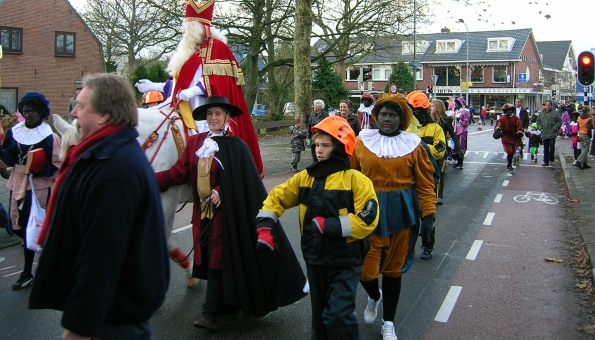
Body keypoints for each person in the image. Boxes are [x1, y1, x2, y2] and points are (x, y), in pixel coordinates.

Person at [29, 74, 169, 339]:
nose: (73, 111)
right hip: (111, 311)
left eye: (81, 106)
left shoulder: (114, 170)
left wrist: (79, 327)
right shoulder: (104, 153)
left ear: (104, 115)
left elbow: (102, 254)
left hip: (114, 318)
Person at [155, 96, 307, 331]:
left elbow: (242, 181)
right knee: (212, 255)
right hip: (202, 214)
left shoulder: (237, 147)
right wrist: (147, 179)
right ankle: (228, 300)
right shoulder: (196, 143)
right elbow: (178, 173)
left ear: (226, 117)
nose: (213, 118)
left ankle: (210, 312)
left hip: (229, 215)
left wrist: (220, 191)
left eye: (217, 114)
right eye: (209, 114)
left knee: (218, 256)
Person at [256, 116, 378, 340]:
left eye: (326, 145)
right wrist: (264, 227)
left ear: (341, 147)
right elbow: (276, 198)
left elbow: (368, 219)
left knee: (339, 316)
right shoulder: (305, 178)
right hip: (315, 257)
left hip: (346, 260)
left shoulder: (357, 181)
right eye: (316, 145)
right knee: (320, 319)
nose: (319, 150)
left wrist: (327, 226)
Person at [135, 0, 263, 176]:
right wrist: (154, 86)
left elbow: (218, 82)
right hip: (182, 106)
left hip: (205, 108)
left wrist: (193, 91)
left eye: (188, 28)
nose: (184, 32)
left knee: (204, 138)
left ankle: (209, 173)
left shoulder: (217, 49)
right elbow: (177, 87)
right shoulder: (188, 53)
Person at [350, 93, 436, 340]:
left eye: (392, 115)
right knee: (365, 270)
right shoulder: (362, 142)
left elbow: (425, 183)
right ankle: (374, 295)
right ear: (376, 117)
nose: (387, 119)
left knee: (393, 270)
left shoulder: (414, 145)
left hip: (402, 212)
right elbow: (351, 177)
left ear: (402, 119)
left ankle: (389, 322)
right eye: (383, 115)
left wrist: (428, 215)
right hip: (368, 212)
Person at [0, 92, 60, 290]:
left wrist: (37, 167)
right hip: (17, 182)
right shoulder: (14, 132)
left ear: (40, 112)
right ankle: (46, 246)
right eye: (24, 112)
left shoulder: (48, 136)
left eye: (31, 112)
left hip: (38, 185)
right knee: (15, 225)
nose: (26, 115)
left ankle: (27, 273)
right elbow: (8, 157)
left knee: (29, 226)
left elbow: (56, 165)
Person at [406, 91, 445, 260]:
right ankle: (409, 248)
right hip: (409, 178)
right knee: (411, 215)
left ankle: (427, 246)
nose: (417, 114)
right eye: (415, 111)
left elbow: (440, 150)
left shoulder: (435, 129)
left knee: (428, 215)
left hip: (429, 177)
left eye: (419, 111)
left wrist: (420, 148)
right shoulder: (406, 129)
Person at [430, 99, 461, 204]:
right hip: (431, 151)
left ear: (438, 108)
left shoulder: (446, 120)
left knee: (440, 173)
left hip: (442, 151)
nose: (430, 108)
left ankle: (440, 195)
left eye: (433, 106)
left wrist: (459, 150)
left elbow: (453, 135)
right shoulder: (429, 120)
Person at [495, 103, 523, 175]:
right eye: (507, 110)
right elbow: (497, 127)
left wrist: (519, 132)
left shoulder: (516, 118)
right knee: (509, 151)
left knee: (512, 151)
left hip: (514, 137)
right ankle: (510, 165)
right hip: (505, 137)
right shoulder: (502, 119)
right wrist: (498, 131)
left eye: (510, 110)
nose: (509, 112)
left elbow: (519, 127)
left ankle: (509, 164)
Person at [538, 100, 562, 167]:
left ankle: (551, 160)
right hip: (545, 133)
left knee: (551, 147)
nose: (547, 106)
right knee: (545, 148)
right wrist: (540, 128)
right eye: (546, 105)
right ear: (545, 106)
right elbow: (538, 121)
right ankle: (545, 161)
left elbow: (559, 121)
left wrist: (555, 128)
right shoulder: (541, 113)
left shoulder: (555, 113)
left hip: (552, 133)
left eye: (549, 105)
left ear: (551, 105)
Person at [452, 97, 470, 169]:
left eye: (457, 103)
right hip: (455, 130)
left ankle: (461, 162)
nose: (455, 105)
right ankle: (458, 161)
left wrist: (459, 120)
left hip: (462, 130)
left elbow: (466, 122)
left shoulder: (465, 111)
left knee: (461, 146)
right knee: (454, 147)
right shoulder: (456, 111)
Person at [575, 106, 593, 170]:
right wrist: (590, 136)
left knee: (583, 149)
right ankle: (579, 161)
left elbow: (578, 126)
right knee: (586, 149)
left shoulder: (579, 118)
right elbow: (589, 128)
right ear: (588, 111)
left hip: (580, 134)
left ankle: (584, 163)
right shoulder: (589, 119)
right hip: (586, 134)